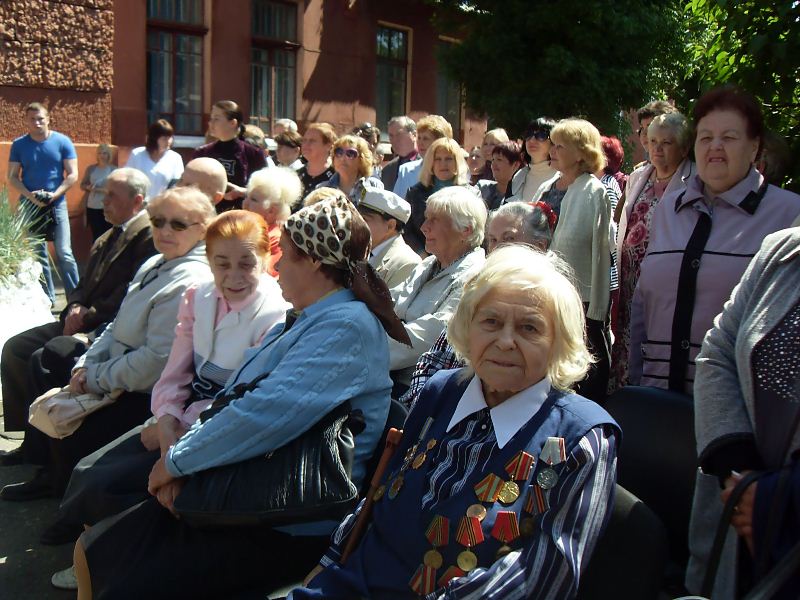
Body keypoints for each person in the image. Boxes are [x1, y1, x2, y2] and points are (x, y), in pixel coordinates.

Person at [73, 195, 405, 600]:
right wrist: (182, 461)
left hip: (285, 519)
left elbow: (265, 413)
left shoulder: (346, 327)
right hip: (253, 489)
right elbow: (239, 397)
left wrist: (178, 462)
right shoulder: (312, 317)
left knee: (118, 568)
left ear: (316, 263)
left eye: (287, 257)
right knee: (98, 546)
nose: (277, 267)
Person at [291, 244, 620, 599]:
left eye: (529, 327)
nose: (505, 341)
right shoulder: (440, 391)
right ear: (467, 327)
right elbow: (380, 491)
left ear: (558, 342)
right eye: (491, 322)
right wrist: (329, 561)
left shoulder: (583, 438)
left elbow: (542, 579)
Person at [43, 210, 289, 552]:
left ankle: (107, 555)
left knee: (117, 483)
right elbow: (176, 370)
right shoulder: (199, 295)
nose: (234, 276)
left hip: (216, 425)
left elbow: (239, 397)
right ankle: (91, 550)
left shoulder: (275, 314)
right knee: (89, 468)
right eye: (222, 264)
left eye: (246, 264)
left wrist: (173, 447)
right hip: (179, 415)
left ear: (264, 259)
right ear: (209, 261)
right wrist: (166, 421)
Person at [0, 186, 215, 500]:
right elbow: (117, 323)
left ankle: (62, 487)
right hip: (119, 369)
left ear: (203, 229)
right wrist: (86, 364)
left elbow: (155, 363)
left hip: (147, 394)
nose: (165, 231)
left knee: (67, 406)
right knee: (50, 357)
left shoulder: (190, 279)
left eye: (178, 224)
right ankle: (45, 466)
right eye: (158, 221)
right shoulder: (157, 263)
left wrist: (95, 377)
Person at [629, 86, 800, 395]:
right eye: (705, 137)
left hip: (735, 406)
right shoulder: (669, 208)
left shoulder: (789, 215)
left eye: (729, 137)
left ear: (754, 148)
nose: (715, 146)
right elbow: (643, 299)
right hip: (657, 396)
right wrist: (636, 383)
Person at [0, 168, 157, 467]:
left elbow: (130, 291)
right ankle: (30, 441)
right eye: (103, 193)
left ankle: (47, 455)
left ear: (137, 200)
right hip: (79, 318)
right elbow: (83, 281)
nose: (103, 201)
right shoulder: (109, 233)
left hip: (102, 326)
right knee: (15, 348)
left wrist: (88, 316)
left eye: (112, 195)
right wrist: (74, 305)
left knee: (44, 357)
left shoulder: (148, 235)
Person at [686, 228, 800, 598]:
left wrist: (781, 497)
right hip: (738, 514)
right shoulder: (781, 251)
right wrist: (738, 473)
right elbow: (718, 351)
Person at [401, 201, 556, 410]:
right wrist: (427, 408)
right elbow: (433, 359)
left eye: (509, 239)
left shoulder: (552, 301)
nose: (498, 249)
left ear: (539, 247)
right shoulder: (479, 289)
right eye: (493, 240)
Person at [610, 112, 694, 392]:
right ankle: (627, 396)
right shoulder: (638, 177)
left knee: (658, 344)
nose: (657, 148)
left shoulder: (695, 181)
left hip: (666, 285)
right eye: (653, 141)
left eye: (667, 143)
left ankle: (654, 400)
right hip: (630, 282)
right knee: (627, 342)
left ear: (684, 147)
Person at [534, 118, 612, 403]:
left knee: (579, 375)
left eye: (560, 146)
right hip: (543, 293)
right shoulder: (547, 186)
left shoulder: (594, 191)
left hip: (580, 299)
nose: (551, 150)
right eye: (552, 144)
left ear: (580, 153)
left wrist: (597, 310)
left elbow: (602, 253)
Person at [389, 186, 486, 395]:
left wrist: (367, 348)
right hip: (387, 369)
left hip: (417, 386)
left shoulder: (475, 277)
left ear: (465, 230)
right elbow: (391, 302)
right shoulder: (429, 264)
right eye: (426, 218)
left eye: (435, 220)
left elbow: (432, 335)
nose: (424, 227)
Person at [7, 102, 81, 304]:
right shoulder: (19, 145)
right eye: (32, 119)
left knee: (64, 253)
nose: (37, 123)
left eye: (40, 119)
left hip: (57, 204)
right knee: (39, 255)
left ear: (48, 119)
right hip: (30, 205)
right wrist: (31, 196)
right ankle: (47, 299)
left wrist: (54, 195)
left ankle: (76, 298)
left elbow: (73, 174)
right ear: (26, 121)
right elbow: (12, 177)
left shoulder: (63, 142)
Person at [193, 100, 266, 211]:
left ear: (233, 123)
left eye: (216, 119)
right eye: (211, 118)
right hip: (207, 213)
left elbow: (265, 191)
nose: (210, 123)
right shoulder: (202, 153)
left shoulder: (253, 154)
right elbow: (190, 186)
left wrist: (242, 192)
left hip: (241, 215)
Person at [404, 137, 473, 253]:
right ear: (431, 163)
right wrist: (422, 254)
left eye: (448, 159)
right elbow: (407, 230)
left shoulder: (471, 194)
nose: (443, 164)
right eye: (438, 159)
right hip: (423, 256)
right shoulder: (415, 193)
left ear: (457, 162)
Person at [244, 166, 303, 276]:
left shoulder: (277, 240)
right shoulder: (246, 229)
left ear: (271, 210)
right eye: (246, 197)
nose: (245, 203)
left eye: (253, 199)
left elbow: (269, 275)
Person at [357, 189, 421, 288]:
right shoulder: (358, 249)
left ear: (391, 226)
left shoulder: (407, 263)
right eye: (357, 218)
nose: (357, 224)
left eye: (364, 219)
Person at [393, 114, 453, 199]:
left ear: (439, 141)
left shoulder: (454, 169)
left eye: (425, 138)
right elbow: (396, 202)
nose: (420, 143)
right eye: (419, 138)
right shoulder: (406, 171)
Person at [124, 119, 184, 201]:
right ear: (154, 139)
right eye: (164, 138)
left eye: (170, 137)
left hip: (163, 205)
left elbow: (178, 185)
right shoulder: (137, 154)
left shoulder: (175, 158)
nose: (168, 141)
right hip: (139, 204)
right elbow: (127, 179)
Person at [319, 134, 383, 204]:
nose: (343, 158)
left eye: (350, 154)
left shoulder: (374, 186)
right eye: (339, 152)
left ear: (362, 159)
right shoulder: (322, 190)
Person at [509, 118, 558, 202]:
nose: (532, 140)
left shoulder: (562, 176)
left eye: (541, 135)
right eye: (528, 134)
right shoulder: (518, 176)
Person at [79, 144, 116, 240]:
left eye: (104, 153)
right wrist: (88, 187)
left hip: (108, 206)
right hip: (93, 206)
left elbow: (118, 189)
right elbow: (82, 185)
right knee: (96, 235)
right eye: (100, 153)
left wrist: (102, 190)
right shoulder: (91, 169)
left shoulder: (114, 170)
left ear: (109, 155)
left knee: (109, 235)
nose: (102, 156)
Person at [476, 141, 523, 211]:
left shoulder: (522, 197)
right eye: (493, 159)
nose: (493, 164)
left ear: (515, 165)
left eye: (499, 160)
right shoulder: (482, 188)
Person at [298, 122, 337, 201]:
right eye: (304, 140)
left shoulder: (337, 176)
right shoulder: (297, 175)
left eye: (312, 141)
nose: (306, 144)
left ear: (328, 145)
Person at [381, 116, 419, 191]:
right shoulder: (387, 170)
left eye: (399, 135)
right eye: (391, 136)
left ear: (414, 135)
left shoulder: (428, 164)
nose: (394, 140)